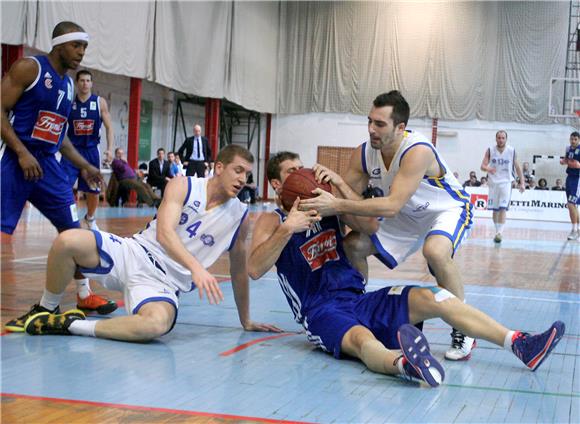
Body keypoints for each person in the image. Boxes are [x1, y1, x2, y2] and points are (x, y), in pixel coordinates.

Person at [248, 151, 565, 388]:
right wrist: (287, 228)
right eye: (294, 173)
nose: (305, 175)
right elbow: (254, 268)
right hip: (321, 311)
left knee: (436, 296)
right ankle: (404, 364)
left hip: (359, 299)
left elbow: (370, 227)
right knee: (362, 341)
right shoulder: (272, 220)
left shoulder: (328, 209)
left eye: (304, 168)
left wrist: (341, 188)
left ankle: (520, 343)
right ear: (278, 184)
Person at [11, 145, 282, 342]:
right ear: (219, 168)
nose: (242, 179)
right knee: (67, 240)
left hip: (164, 284)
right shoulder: (184, 185)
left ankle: (71, 326)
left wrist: (245, 319)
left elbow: (237, 272)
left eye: (247, 174)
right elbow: (165, 233)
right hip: (134, 253)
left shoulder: (240, 215)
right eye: (237, 171)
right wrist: (197, 268)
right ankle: (46, 309)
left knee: (155, 326)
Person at [300, 91, 476, 361]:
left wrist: (337, 203)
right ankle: (354, 306)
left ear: (400, 128)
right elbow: (348, 204)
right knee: (353, 245)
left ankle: (464, 327)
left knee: (436, 252)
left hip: (444, 209)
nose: (371, 129)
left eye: (380, 124)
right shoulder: (364, 154)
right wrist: (331, 187)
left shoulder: (417, 151)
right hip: (405, 215)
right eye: (370, 121)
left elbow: (389, 205)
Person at [1, 21, 117, 326]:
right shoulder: (30, 68)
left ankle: (83, 293)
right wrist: (22, 152)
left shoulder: (67, 85)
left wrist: (86, 165)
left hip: (47, 166)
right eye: (76, 46)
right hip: (16, 160)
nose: (81, 53)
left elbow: (60, 136)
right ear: (60, 44)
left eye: (84, 48)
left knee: (74, 232)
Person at [61, 69, 114, 231]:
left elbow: (109, 127)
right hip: (72, 151)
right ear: (77, 83)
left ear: (92, 83)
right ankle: (69, 219)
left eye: (88, 80)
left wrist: (110, 149)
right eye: (82, 80)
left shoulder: (99, 102)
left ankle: (90, 218)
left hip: (91, 151)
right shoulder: (70, 102)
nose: (85, 83)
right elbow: (61, 124)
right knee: (64, 187)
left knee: (93, 189)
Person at [480, 130, 525, 243]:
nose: (500, 140)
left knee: (502, 207)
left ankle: (500, 233)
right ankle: (497, 231)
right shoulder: (490, 150)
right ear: (496, 139)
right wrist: (488, 168)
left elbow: (518, 167)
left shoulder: (511, 151)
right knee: (495, 210)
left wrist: (522, 182)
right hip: (493, 183)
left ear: (506, 139)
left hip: (506, 182)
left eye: (503, 138)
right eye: (499, 138)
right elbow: (482, 166)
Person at [560, 131, 580, 240]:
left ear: (579, 140)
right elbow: (567, 160)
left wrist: (578, 165)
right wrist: (564, 161)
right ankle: (577, 229)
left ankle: (574, 230)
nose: (573, 141)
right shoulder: (568, 148)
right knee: (573, 206)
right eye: (571, 139)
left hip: (578, 179)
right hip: (569, 177)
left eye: (575, 139)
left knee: (571, 203)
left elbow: (577, 164)